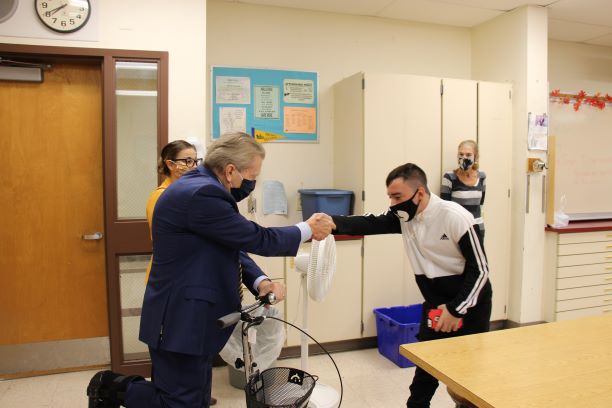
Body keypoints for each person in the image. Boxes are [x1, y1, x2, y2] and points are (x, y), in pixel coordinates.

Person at [87, 132, 336, 408]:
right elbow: (256, 238)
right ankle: (111, 386)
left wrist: (260, 281)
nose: (250, 184)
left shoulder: (205, 186)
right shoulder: (201, 194)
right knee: (178, 403)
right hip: (180, 319)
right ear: (230, 171)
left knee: (195, 398)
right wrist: (306, 229)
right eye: (250, 175)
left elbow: (232, 245)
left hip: (199, 318)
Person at [330, 163, 492, 408]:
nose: (393, 204)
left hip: (470, 302)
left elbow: (480, 271)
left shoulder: (455, 217)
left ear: (420, 193)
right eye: (390, 197)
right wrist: (331, 222)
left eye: (398, 197)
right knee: (426, 369)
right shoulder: (404, 217)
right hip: (436, 302)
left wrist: (456, 309)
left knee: (468, 375)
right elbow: (369, 222)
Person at [440, 140, 486, 238]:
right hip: (457, 229)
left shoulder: (482, 176)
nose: (464, 157)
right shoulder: (449, 177)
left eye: (468, 154)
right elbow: (444, 208)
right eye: (461, 154)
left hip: (477, 228)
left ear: (476, 157)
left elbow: (481, 204)